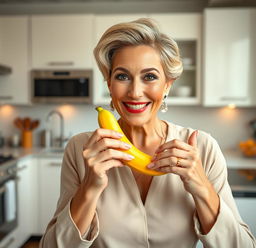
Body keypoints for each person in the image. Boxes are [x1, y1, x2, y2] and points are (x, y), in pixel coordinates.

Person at [39, 18, 256, 248]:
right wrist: (90, 188)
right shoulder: (81, 149)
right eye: (122, 76)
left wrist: (201, 187)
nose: (135, 92)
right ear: (110, 85)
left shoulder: (202, 148)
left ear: (167, 85)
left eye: (150, 77)